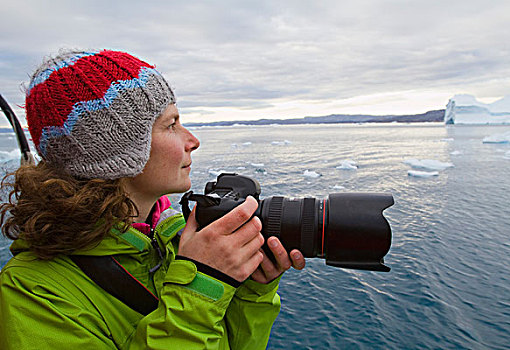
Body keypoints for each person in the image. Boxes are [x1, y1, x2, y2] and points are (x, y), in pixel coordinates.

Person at [0, 49, 305, 349]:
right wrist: (200, 288)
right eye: (171, 124)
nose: (192, 141)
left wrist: (250, 291)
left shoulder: (171, 234)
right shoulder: (32, 293)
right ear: (118, 152)